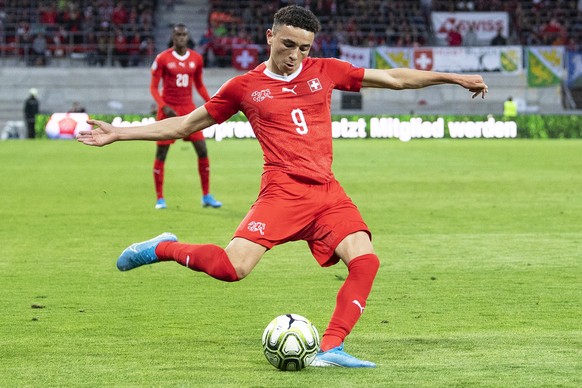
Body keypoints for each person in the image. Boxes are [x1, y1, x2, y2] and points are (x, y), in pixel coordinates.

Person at [77, 5, 488, 368]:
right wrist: (120, 133)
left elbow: (395, 78)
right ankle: (160, 248)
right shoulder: (243, 87)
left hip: (327, 192)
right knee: (232, 268)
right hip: (282, 192)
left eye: (304, 48)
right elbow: (185, 124)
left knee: (366, 260)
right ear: (270, 36)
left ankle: (330, 348)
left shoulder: (325, 70)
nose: (295, 55)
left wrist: (452, 77)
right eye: (288, 44)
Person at [150, 23, 221, 210]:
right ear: (173, 37)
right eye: (178, 35)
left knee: (203, 150)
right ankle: (160, 198)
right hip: (168, 110)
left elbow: (199, 85)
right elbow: (153, 87)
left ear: (187, 37)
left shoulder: (196, 58)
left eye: (184, 35)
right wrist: (163, 106)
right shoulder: (162, 58)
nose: (181, 38)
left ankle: (206, 195)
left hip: (189, 109)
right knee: (162, 153)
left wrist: (213, 101)